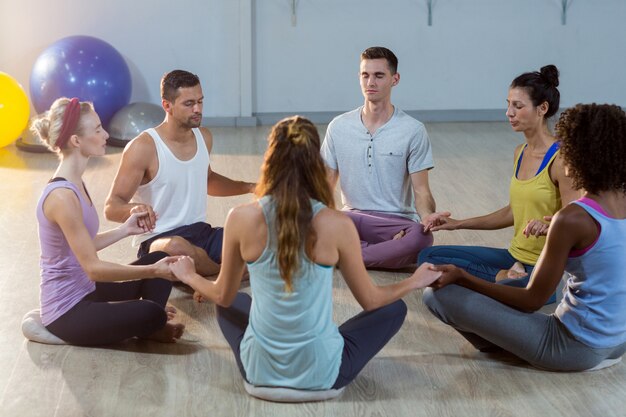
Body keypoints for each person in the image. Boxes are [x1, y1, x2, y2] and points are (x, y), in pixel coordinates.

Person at [169, 116, 441, 390]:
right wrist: (414, 281)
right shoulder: (338, 224)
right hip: (324, 375)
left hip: (259, 373)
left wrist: (190, 275)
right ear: (315, 163)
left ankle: (267, 357)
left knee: (233, 301)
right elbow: (372, 301)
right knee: (393, 308)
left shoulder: (239, 218)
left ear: (270, 158)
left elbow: (221, 295)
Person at [423, 103, 626, 371]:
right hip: (618, 340)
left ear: (580, 155)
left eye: (566, 147)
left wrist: (464, 277)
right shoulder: (609, 205)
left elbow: (533, 300)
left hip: (573, 348)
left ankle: (507, 345)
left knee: (436, 295)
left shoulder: (572, 218)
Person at [31, 97, 184, 346]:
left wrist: (125, 230)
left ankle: (147, 325)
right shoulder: (62, 197)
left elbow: (83, 245)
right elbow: (93, 268)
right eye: (98, 129)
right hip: (67, 311)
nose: (105, 135)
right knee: (153, 305)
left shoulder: (75, 182)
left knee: (158, 257)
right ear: (76, 141)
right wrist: (153, 271)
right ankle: (149, 323)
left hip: (87, 289)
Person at [419, 65, 579, 287]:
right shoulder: (520, 153)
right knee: (427, 257)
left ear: (542, 108)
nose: (509, 113)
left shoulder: (562, 158)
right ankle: (502, 276)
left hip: (544, 268)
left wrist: (551, 226)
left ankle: (504, 279)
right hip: (514, 256)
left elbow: (577, 220)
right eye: (508, 105)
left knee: (509, 287)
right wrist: (457, 224)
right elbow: (513, 211)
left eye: (518, 106)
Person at [104, 70, 255, 277]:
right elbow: (111, 207)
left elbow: (208, 180)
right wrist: (132, 209)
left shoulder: (204, 137)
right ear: (167, 106)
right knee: (177, 248)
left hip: (201, 233)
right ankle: (223, 277)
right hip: (159, 241)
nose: (197, 109)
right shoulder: (143, 147)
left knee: (255, 234)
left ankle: (205, 274)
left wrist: (250, 187)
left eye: (200, 102)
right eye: (189, 103)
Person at [320, 46, 443, 270]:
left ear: (395, 79)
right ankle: (378, 254)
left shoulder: (413, 130)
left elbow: (421, 190)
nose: (371, 83)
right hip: (351, 219)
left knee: (421, 238)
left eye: (379, 75)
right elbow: (325, 185)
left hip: (396, 224)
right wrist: (317, 220)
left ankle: (342, 255)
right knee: (305, 225)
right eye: (365, 75)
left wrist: (427, 216)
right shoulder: (338, 127)